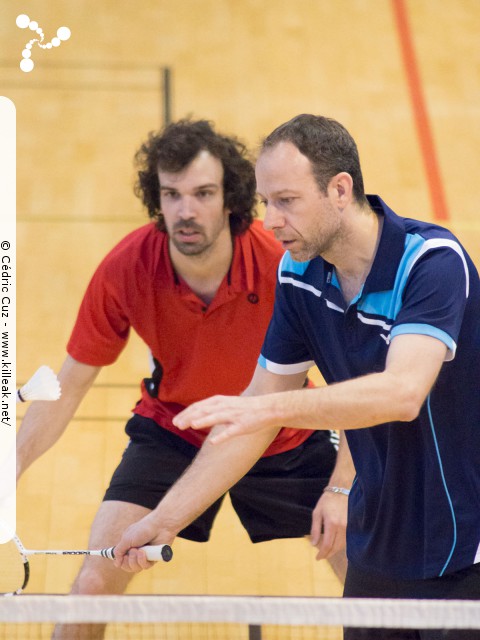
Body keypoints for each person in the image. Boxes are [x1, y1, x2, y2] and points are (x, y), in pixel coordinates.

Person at [114, 114, 480, 640]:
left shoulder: (430, 263)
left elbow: (402, 393)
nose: (270, 220)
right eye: (266, 202)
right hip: (381, 539)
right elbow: (256, 415)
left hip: (467, 540)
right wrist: (166, 518)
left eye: (286, 201)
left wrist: (266, 408)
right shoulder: (300, 276)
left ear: (339, 189)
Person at [16, 118, 352, 640]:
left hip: (285, 435)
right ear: (156, 198)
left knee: (371, 582)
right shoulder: (127, 267)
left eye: (203, 193)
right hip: (173, 432)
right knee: (91, 587)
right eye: (171, 194)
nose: (185, 211)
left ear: (232, 199)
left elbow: (356, 392)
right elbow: (67, 386)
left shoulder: (283, 266)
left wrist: (341, 489)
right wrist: (9, 466)